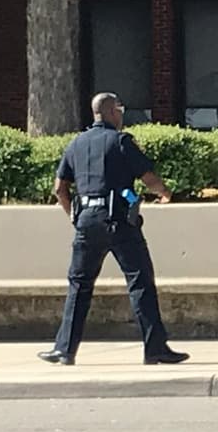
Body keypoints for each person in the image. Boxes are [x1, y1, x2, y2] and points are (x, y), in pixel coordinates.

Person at [37, 92, 188, 366]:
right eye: (119, 109)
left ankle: (64, 350)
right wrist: (165, 192)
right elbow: (149, 178)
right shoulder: (121, 142)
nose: (121, 114)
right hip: (119, 222)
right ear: (110, 112)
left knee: (79, 285)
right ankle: (155, 348)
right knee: (140, 282)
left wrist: (74, 215)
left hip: (86, 223)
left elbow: (60, 189)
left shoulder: (76, 143)